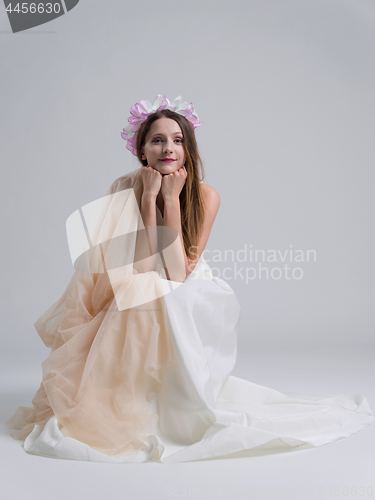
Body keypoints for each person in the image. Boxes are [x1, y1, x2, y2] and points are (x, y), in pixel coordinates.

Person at [6, 94, 373, 463]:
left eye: (178, 140)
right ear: (142, 151)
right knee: (143, 288)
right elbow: (147, 262)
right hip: (140, 273)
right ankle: (132, 395)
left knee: (155, 291)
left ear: (189, 149)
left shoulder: (206, 195)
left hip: (190, 281)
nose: (168, 148)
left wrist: (172, 200)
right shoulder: (123, 187)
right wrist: (150, 197)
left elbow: (178, 272)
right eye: (157, 140)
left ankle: (170, 399)